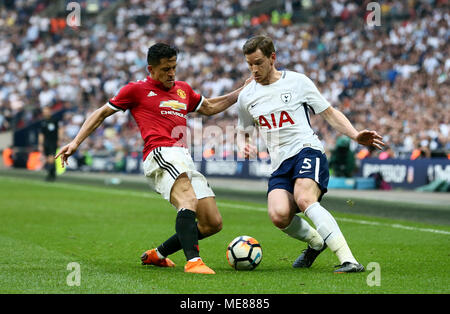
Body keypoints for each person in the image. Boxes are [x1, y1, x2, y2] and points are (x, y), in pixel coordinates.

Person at [56, 43, 249, 274]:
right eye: (166, 69)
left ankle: (157, 255)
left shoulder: (182, 89)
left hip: (184, 156)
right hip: (160, 153)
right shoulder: (135, 90)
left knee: (212, 223)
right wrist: (76, 142)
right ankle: (193, 262)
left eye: (174, 67)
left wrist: (241, 92)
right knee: (187, 199)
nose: (171, 73)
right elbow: (101, 113)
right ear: (151, 69)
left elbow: (208, 106)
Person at [236, 35, 384, 273]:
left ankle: (349, 259)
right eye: (250, 64)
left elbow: (329, 112)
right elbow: (243, 131)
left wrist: (355, 135)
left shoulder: (297, 82)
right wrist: (243, 145)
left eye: (259, 62)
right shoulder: (246, 96)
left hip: (307, 150)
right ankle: (316, 243)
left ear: (273, 58)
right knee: (279, 215)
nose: (254, 69)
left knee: (305, 199)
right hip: (279, 163)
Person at [39, 106, 61, 181]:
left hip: (53, 142)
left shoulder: (54, 120)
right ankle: (52, 173)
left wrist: (59, 140)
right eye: (44, 111)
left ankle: (50, 174)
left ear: (50, 111)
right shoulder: (43, 122)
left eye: (47, 111)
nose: (45, 112)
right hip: (46, 142)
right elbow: (41, 134)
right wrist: (41, 144)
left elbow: (59, 130)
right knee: (48, 159)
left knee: (51, 158)